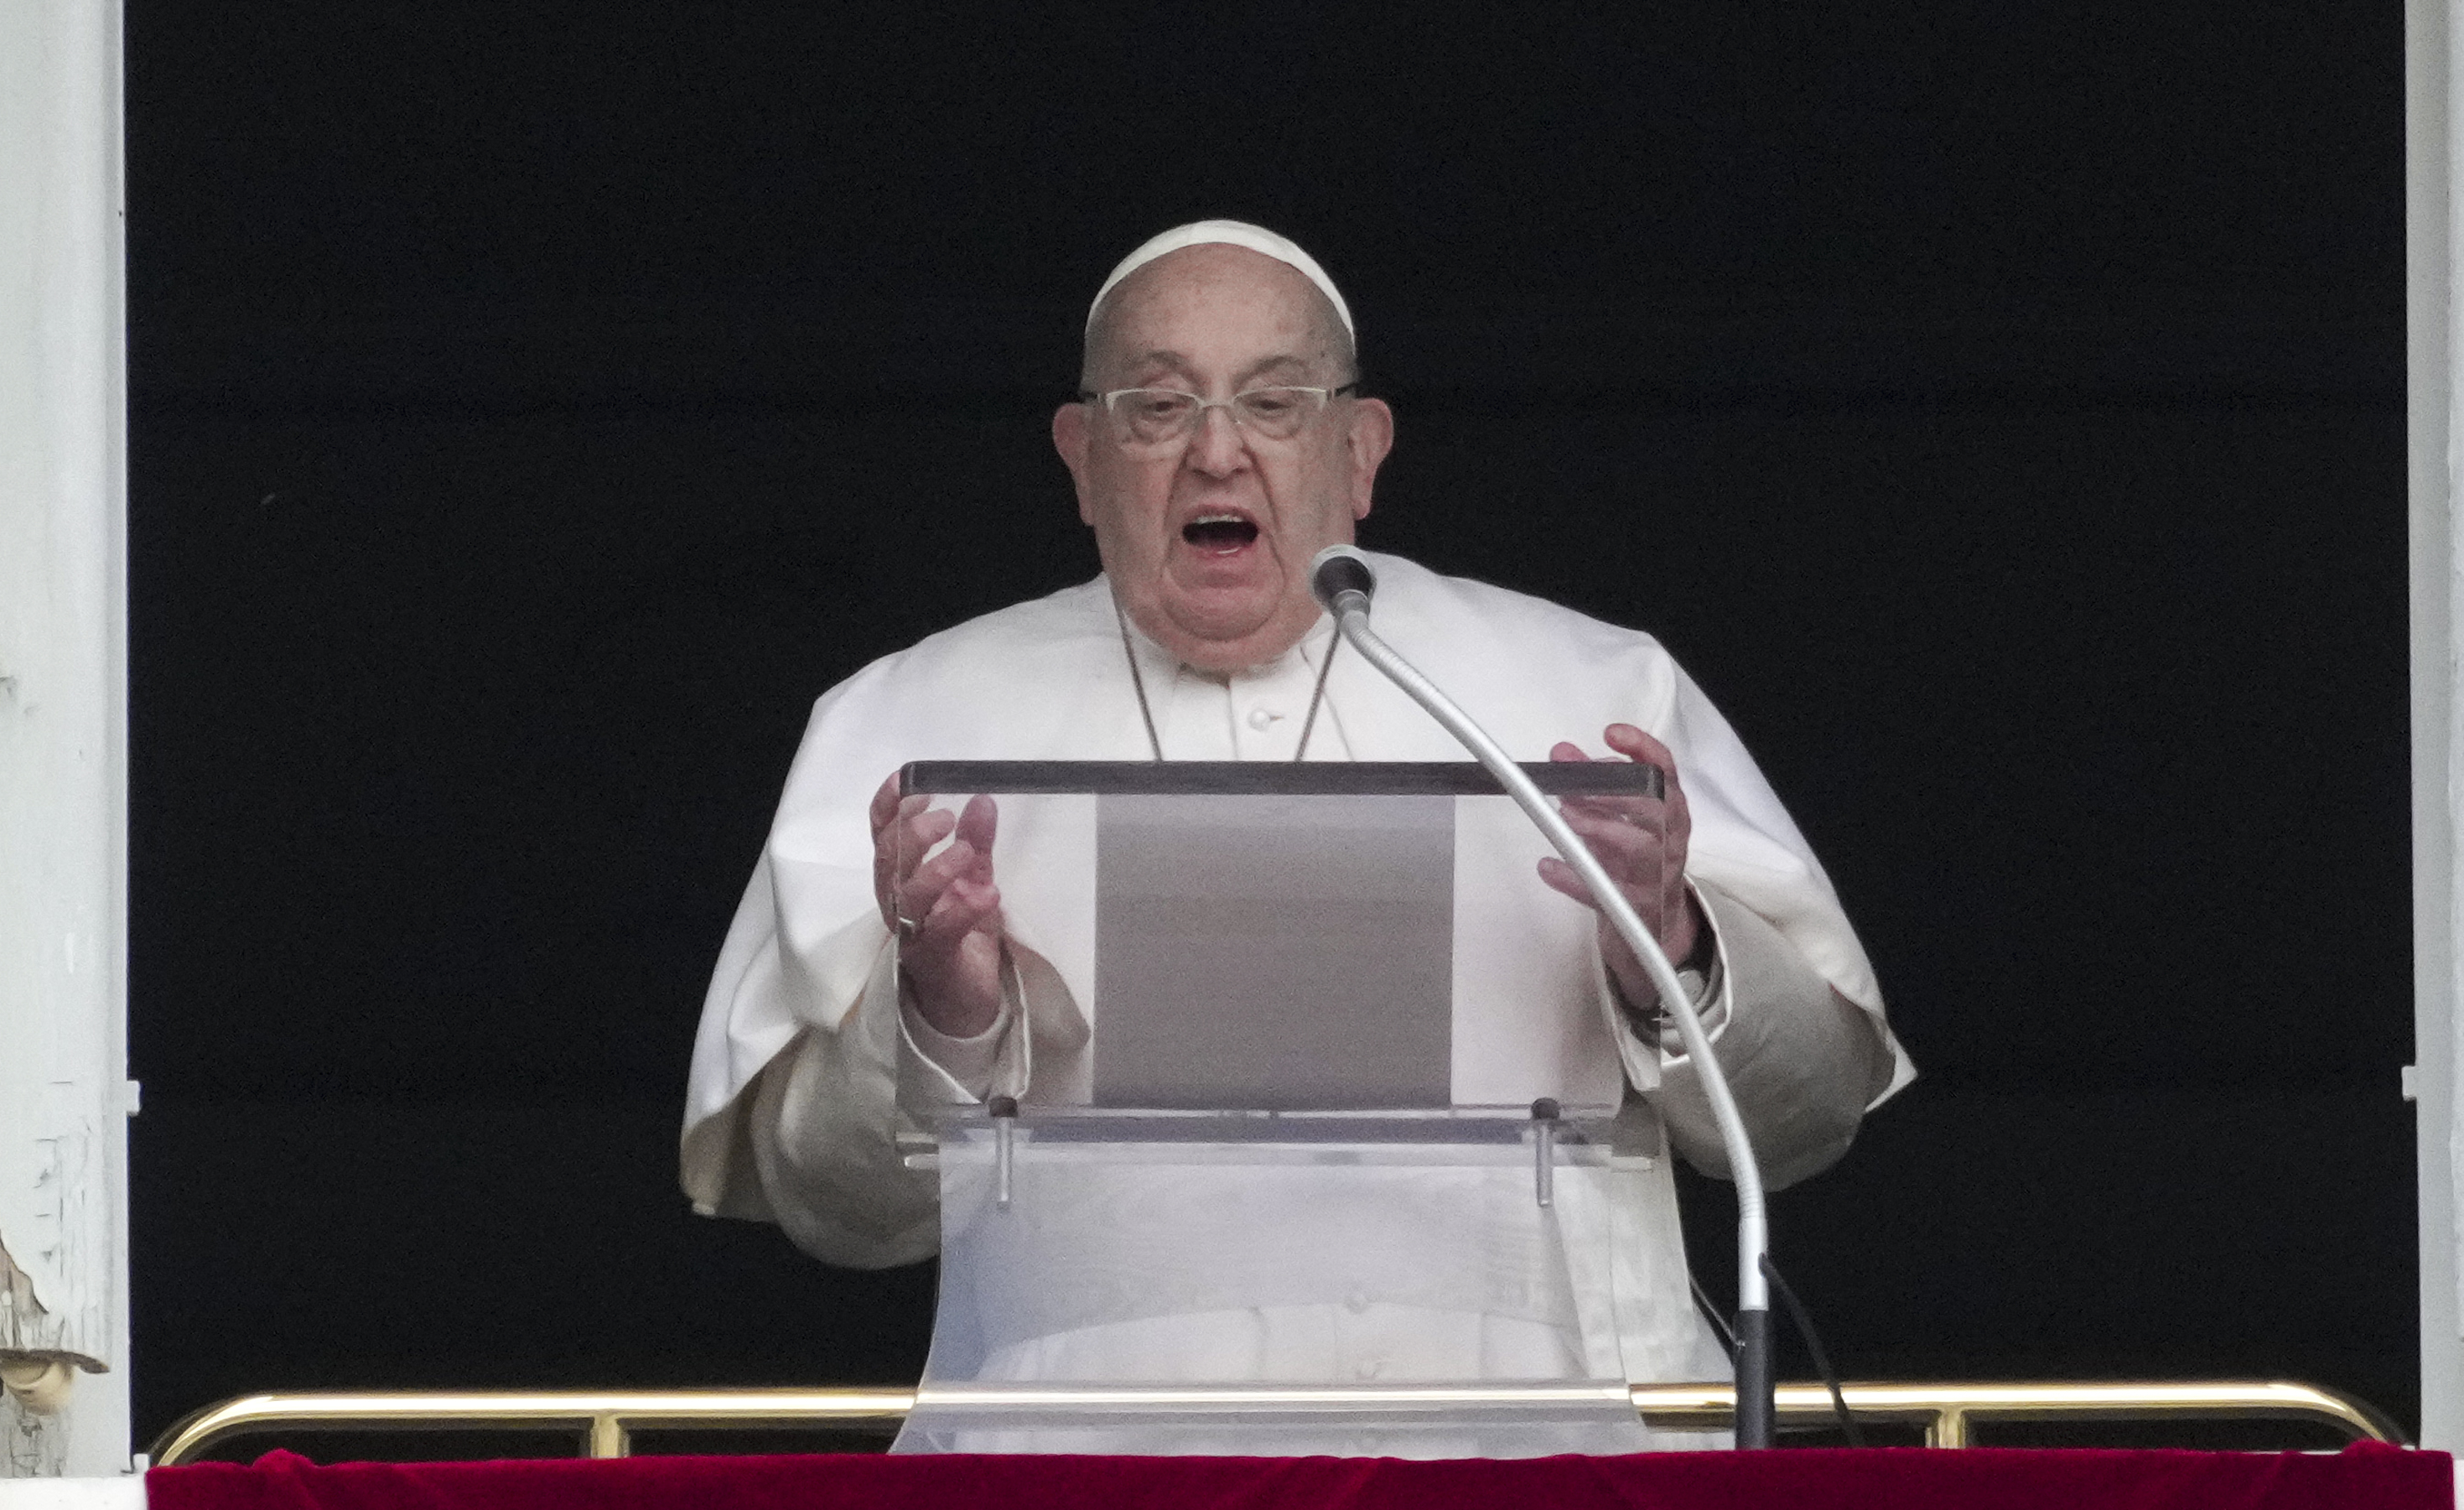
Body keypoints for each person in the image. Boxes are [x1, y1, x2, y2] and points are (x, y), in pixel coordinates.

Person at [683, 221, 1909, 1390]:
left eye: (1274, 403)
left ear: (1361, 451)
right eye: (1158, 406)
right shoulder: (912, 724)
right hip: (1097, 1495)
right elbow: (836, 1216)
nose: (1219, 451)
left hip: (1539, 1474)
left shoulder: (1587, 693)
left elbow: (1801, 1126)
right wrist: (938, 1016)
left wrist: (1674, 946)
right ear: (1082, 458)